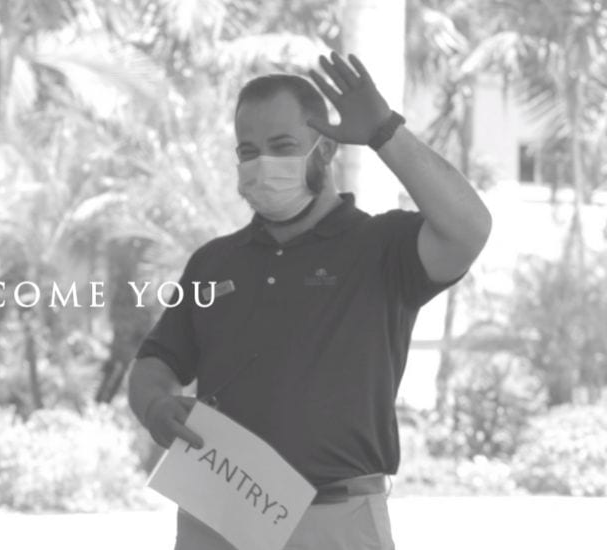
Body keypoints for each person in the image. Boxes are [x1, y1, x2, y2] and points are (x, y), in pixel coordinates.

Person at [127, 52, 492, 550]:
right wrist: (154, 406)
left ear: (325, 149)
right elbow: (155, 361)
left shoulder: (382, 248)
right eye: (248, 151)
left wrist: (385, 131)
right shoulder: (214, 263)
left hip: (336, 519)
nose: (262, 165)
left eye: (282, 146)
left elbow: (469, 229)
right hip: (216, 513)